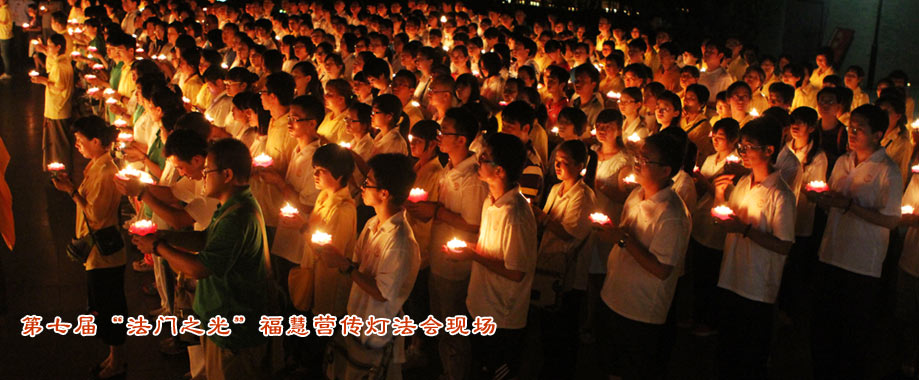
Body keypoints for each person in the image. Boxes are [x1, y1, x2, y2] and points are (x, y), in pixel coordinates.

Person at [132, 138, 272, 380]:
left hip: (234, 327)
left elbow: (200, 268)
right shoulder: (229, 206)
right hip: (219, 319)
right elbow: (206, 240)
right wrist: (166, 236)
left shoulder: (238, 216)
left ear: (226, 174)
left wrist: (158, 247)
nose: (203, 176)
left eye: (208, 171)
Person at [808, 104, 903, 380]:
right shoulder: (843, 161)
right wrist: (822, 199)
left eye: (860, 128)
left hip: (861, 264)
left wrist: (849, 205)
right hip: (831, 253)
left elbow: (891, 220)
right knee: (823, 329)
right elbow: (834, 200)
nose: (853, 132)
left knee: (852, 336)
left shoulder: (889, 171)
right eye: (851, 127)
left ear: (878, 134)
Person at [597, 132, 691, 379]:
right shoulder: (636, 194)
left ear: (665, 170)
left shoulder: (672, 214)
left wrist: (621, 239)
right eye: (638, 156)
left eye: (646, 159)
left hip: (640, 309)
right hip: (614, 294)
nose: (637, 162)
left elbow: (662, 269)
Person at [318, 153, 420, 380]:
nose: (362, 187)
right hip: (358, 319)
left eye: (368, 183)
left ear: (384, 193)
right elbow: (359, 267)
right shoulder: (373, 223)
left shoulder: (400, 241)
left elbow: (383, 292)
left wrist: (345, 266)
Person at [405, 108, 486, 380]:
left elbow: (475, 224)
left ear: (462, 139)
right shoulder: (449, 169)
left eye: (445, 132)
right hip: (439, 259)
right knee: (439, 324)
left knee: (454, 329)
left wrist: (436, 212)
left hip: (456, 267)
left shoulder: (472, 178)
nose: (439, 136)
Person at [713, 117, 796, 379]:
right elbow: (726, 217)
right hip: (731, 275)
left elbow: (784, 245)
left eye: (749, 147)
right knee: (728, 349)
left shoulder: (780, 194)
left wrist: (744, 230)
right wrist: (718, 196)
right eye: (741, 147)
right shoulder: (743, 183)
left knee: (751, 355)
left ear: (769, 151)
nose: (743, 153)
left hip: (757, 285)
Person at [450, 132, 537, 380]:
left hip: (501, 316)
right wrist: (467, 249)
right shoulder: (491, 201)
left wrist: (472, 256)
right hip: (480, 303)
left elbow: (516, 271)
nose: (478, 162)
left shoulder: (515, 213)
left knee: (496, 371)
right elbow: (492, 250)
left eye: (484, 158)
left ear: (500, 171)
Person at [51, 116, 127, 379]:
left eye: (81, 141)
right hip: (96, 250)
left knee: (110, 306)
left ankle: (118, 362)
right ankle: (112, 356)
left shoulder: (107, 172)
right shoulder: (97, 166)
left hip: (106, 254)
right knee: (102, 304)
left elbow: (95, 214)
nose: (77, 145)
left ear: (96, 141)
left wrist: (71, 191)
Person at [530, 139, 596, 378]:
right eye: (556, 162)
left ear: (580, 166)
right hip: (549, 265)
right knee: (549, 325)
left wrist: (542, 217)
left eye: (565, 163)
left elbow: (570, 233)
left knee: (564, 328)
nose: (557, 167)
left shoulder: (584, 196)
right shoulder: (557, 188)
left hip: (568, 270)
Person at [33, 33, 74, 172]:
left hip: (58, 108)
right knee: (57, 141)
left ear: (58, 47)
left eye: (50, 46)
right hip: (58, 108)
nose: (48, 48)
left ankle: (62, 172)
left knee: (59, 143)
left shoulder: (59, 65)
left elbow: (59, 86)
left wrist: (42, 80)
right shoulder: (63, 61)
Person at [0, 0, 11, 80]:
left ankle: (8, 72)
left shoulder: (4, 10)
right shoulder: (2, 9)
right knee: (4, 54)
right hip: (2, 34)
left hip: (4, 35)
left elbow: (4, 22)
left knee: (5, 55)